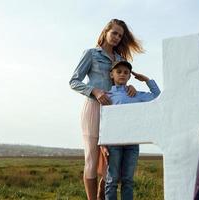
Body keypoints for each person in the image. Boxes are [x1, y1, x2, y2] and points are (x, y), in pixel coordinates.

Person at [69, 19, 144, 200]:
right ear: (106, 32)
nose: (117, 37)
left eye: (120, 35)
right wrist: (94, 91)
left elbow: (122, 82)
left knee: (112, 161)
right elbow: (74, 81)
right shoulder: (91, 54)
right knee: (92, 160)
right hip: (93, 110)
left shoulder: (120, 60)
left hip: (114, 114)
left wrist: (130, 88)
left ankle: (102, 196)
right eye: (115, 33)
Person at [103, 60, 161, 200]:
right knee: (112, 180)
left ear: (129, 76)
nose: (122, 74)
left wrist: (146, 80)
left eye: (126, 72)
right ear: (111, 74)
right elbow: (104, 121)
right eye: (119, 72)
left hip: (132, 144)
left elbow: (158, 96)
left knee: (128, 180)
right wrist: (103, 143)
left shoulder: (136, 94)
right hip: (113, 144)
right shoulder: (106, 96)